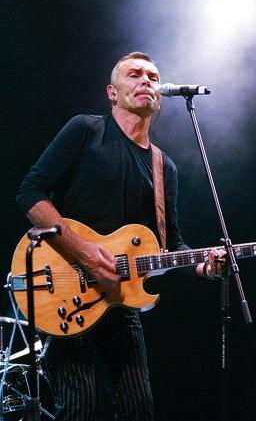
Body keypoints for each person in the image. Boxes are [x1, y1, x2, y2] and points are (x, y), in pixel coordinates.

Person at [15, 51, 224, 420]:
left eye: (153, 77)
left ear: (159, 96)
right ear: (112, 93)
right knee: (79, 408)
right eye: (135, 74)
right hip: (64, 288)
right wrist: (84, 254)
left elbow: (171, 244)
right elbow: (30, 192)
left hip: (119, 300)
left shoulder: (163, 167)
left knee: (139, 407)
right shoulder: (85, 130)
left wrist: (202, 267)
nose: (146, 81)